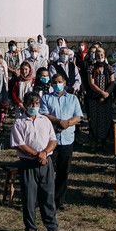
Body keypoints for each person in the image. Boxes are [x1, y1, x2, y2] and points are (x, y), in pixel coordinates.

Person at [10, 92, 62, 231]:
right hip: (28, 163)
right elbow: (19, 144)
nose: (34, 106)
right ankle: (30, 229)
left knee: (48, 195)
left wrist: (44, 153)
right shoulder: (19, 122)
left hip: (46, 162)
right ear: (25, 105)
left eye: (37, 104)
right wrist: (35, 154)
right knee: (29, 197)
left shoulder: (45, 120)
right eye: (31, 104)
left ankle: (52, 228)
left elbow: (53, 140)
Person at [40, 73, 83, 209]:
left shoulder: (72, 98)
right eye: (54, 82)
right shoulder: (46, 98)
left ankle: (59, 200)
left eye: (59, 81)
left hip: (67, 139)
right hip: (51, 140)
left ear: (64, 83)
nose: (57, 84)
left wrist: (68, 123)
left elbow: (78, 116)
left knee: (63, 172)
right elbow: (44, 114)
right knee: (47, 171)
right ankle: (45, 198)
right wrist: (58, 122)